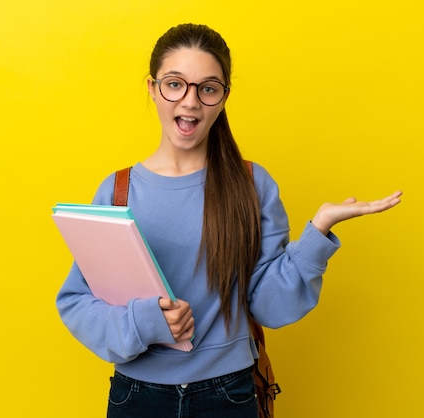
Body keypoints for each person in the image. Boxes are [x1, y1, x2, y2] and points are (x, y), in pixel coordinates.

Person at [56, 23, 402, 418]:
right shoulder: (117, 191)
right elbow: (77, 302)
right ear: (152, 88)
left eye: (207, 88)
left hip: (229, 394)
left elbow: (270, 307)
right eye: (175, 84)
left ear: (223, 98)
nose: (190, 102)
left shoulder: (252, 185)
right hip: (137, 397)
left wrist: (318, 233)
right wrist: (145, 322)